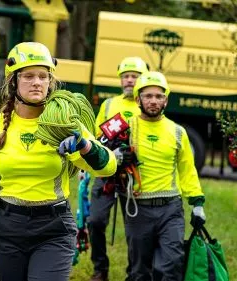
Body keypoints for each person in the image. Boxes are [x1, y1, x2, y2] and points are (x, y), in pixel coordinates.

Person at [0, 42, 117, 281]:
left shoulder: (65, 124)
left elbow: (108, 167)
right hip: (6, 229)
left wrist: (83, 146)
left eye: (43, 76)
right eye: (29, 76)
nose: (37, 82)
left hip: (54, 229)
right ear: (13, 81)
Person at [120, 71, 206, 281]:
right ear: (138, 98)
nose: (153, 101)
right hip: (138, 209)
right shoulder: (125, 128)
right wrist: (118, 156)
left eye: (159, 96)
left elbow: (187, 170)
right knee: (139, 270)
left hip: (171, 209)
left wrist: (197, 204)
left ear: (166, 100)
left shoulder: (178, 132)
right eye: (148, 96)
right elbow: (101, 159)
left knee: (171, 265)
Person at [88, 56, 148, 281]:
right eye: (126, 77)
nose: (130, 80)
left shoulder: (147, 105)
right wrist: (108, 152)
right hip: (107, 173)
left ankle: (134, 273)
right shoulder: (109, 105)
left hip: (134, 176)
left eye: (134, 76)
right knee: (95, 221)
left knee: (135, 229)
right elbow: (96, 138)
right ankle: (100, 268)